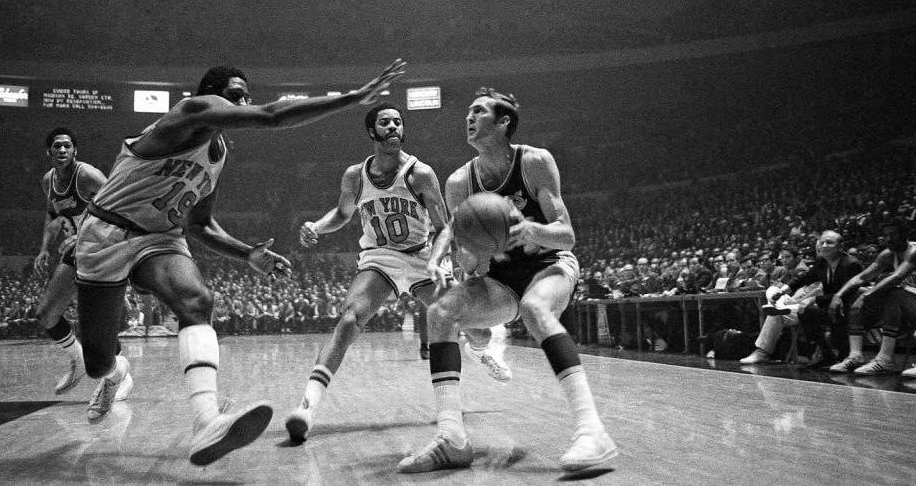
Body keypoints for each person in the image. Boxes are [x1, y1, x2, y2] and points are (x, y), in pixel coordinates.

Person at [73, 59, 404, 466]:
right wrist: (351, 99)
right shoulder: (189, 113)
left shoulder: (218, 152)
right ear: (209, 97)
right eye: (235, 95)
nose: (244, 103)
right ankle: (116, 373)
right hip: (106, 232)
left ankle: (206, 423)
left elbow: (200, 224)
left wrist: (247, 253)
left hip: (158, 237)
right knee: (97, 361)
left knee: (197, 301)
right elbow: (271, 115)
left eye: (246, 96)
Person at [398, 88, 617, 474]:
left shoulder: (534, 162)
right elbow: (459, 241)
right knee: (440, 312)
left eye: (479, 112)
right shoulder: (459, 182)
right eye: (468, 112)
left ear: (503, 124)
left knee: (535, 308)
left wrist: (527, 229)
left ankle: (592, 431)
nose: (469, 117)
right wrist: (452, 260)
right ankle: (452, 438)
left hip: (549, 262)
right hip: (501, 279)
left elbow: (566, 234)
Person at [285, 103, 507, 444]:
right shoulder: (354, 176)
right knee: (349, 319)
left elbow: (444, 225)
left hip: (420, 256)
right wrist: (318, 226)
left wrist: (435, 259)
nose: (393, 127)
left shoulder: (420, 174)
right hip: (380, 257)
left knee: (475, 330)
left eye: (398, 122)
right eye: (385, 122)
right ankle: (307, 406)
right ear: (372, 132)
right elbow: (343, 213)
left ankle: (477, 348)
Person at [32, 127, 134, 400]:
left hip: (102, 248)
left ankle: (119, 376)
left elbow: (118, 204)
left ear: (75, 150)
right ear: (49, 152)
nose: (62, 150)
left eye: (67, 146)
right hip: (76, 250)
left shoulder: (87, 175)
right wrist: (44, 248)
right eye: (56, 147)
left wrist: (86, 235)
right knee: (46, 314)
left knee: (97, 320)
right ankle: (78, 360)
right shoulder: (48, 181)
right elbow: (52, 215)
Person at [827, 217, 916, 375]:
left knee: (892, 293)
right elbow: (862, 277)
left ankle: (885, 359)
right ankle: (855, 355)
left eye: (893, 234)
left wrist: (867, 297)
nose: (888, 239)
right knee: (859, 291)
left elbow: (896, 278)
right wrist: (838, 295)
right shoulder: (888, 254)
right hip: (914, 303)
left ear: (904, 234)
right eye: (885, 235)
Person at [739, 231, 862, 368]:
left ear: (840, 247)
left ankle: (833, 355)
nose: (824, 245)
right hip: (824, 307)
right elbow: (803, 279)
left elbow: (844, 295)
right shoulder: (822, 262)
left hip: (847, 310)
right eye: (822, 243)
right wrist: (782, 291)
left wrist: (813, 299)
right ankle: (762, 352)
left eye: (829, 242)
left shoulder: (851, 264)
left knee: (809, 310)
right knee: (778, 312)